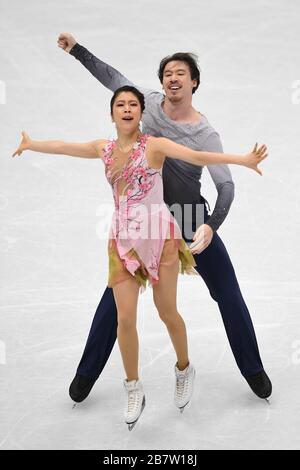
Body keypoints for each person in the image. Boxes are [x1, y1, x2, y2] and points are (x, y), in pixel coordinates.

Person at [12, 85, 267, 429]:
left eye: (134, 104)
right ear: (112, 113)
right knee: (125, 319)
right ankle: (133, 386)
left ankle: (183, 367)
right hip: (123, 240)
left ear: (141, 113)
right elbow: (63, 147)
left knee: (167, 313)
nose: (128, 108)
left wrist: (243, 160)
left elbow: (199, 157)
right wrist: (32, 144)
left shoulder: (155, 147)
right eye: (121, 104)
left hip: (160, 237)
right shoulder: (102, 148)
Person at [57, 33, 272, 404]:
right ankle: (85, 374)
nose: (173, 78)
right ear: (161, 83)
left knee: (228, 291)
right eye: (168, 73)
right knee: (116, 299)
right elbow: (111, 76)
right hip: (145, 224)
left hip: (189, 219)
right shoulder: (150, 106)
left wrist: (211, 225)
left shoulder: (205, 134)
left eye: (181, 73)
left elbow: (227, 187)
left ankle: (253, 368)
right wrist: (77, 50)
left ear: (194, 83)